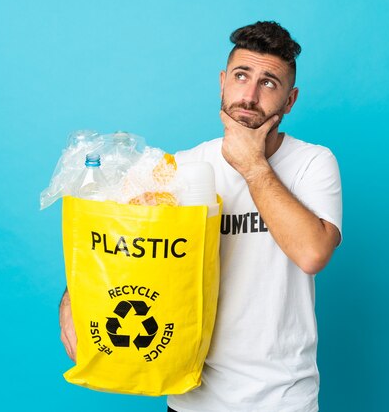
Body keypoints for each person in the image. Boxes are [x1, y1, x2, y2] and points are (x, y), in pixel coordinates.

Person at [60, 21, 342, 412]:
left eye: (269, 83)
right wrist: (72, 299)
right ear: (223, 82)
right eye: (242, 77)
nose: (250, 95)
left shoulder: (313, 163)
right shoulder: (182, 169)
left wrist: (254, 166)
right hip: (193, 395)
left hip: (282, 398)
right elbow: (120, 251)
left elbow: (313, 254)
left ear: (289, 100)